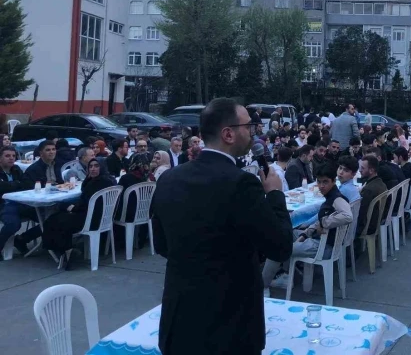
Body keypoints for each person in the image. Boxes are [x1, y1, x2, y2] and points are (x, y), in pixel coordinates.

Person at [151, 98, 293, 354]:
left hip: (179, 319)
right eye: (248, 126)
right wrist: (274, 195)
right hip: (229, 325)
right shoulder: (240, 184)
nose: (252, 132)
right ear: (228, 133)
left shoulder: (169, 179)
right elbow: (281, 246)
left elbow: (161, 244)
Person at [262, 166, 353, 291]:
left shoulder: (337, 198)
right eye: (319, 182)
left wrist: (324, 223)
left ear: (333, 181)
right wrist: (305, 234)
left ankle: (263, 286)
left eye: (325, 182)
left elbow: (347, 216)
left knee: (278, 247)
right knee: (288, 234)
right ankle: (287, 274)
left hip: (323, 247)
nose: (321, 186)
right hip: (321, 240)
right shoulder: (331, 196)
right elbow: (321, 221)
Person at [42, 158, 117, 269]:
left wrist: (70, 208)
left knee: (55, 219)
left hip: (90, 219)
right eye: (90, 166)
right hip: (103, 218)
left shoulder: (96, 183)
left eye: (96, 166)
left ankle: (65, 251)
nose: (93, 169)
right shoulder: (109, 180)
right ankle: (66, 250)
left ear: (102, 167)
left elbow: (85, 205)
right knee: (57, 217)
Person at [0, 146, 37, 258]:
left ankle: (22, 239)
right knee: (13, 224)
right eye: (7, 156)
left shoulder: (16, 169)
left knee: (48, 217)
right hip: (3, 205)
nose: (11, 158)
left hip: (21, 203)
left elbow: (26, 185)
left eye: (13, 156)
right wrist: (16, 184)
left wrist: (11, 186)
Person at [356, 155, 388, 238]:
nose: (360, 170)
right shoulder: (380, 183)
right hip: (377, 221)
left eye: (363, 168)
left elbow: (360, 212)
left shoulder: (368, 190)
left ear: (371, 170)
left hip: (368, 226)